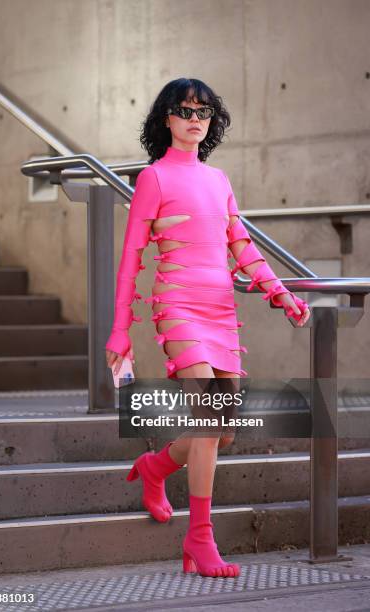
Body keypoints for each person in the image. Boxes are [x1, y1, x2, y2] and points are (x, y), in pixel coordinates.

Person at [106, 78, 310, 578]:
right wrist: (119, 331)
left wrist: (279, 291)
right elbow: (131, 258)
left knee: (221, 432)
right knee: (206, 415)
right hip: (177, 305)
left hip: (219, 308)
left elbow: (241, 244)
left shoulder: (218, 181)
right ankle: (200, 539)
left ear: (211, 121)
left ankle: (154, 468)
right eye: (184, 110)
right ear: (166, 120)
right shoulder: (153, 178)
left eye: (203, 111)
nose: (194, 117)